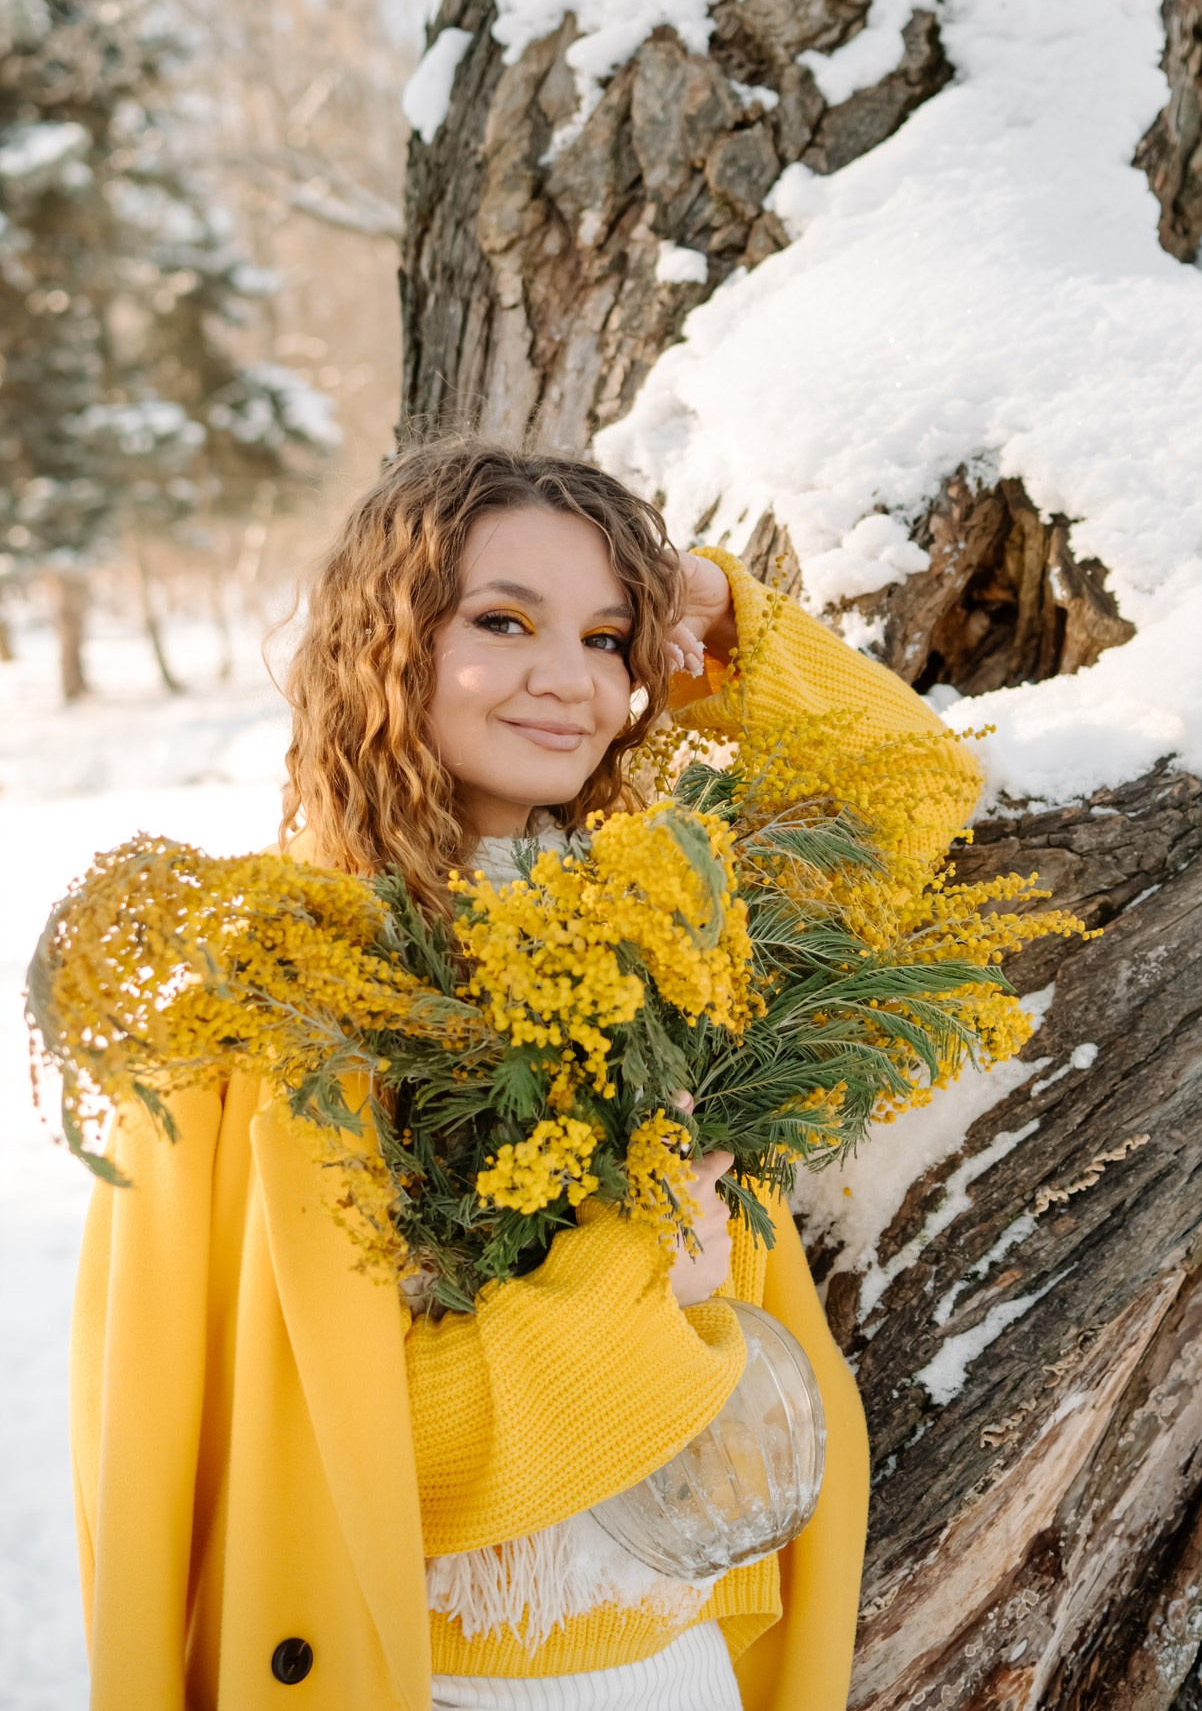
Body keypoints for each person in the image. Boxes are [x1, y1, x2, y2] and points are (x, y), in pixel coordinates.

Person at [68, 439, 983, 1711]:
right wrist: (642, 1274)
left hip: (678, 1668)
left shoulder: (671, 924)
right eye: (504, 621)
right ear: (380, 647)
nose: (573, 682)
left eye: (610, 638)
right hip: (419, 1674)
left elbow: (911, 788)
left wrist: (713, 615)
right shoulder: (284, 1012)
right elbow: (391, 1469)